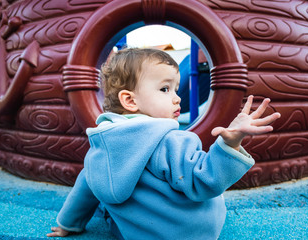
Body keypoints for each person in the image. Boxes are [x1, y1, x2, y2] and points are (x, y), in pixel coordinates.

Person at [47, 48, 280, 239]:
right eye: (165, 89)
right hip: (191, 233)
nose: (177, 97)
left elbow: (86, 187)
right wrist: (230, 146)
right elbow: (204, 181)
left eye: (176, 89)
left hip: (139, 233)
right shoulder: (170, 141)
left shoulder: (102, 145)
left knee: (105, 197)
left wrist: (68, 224)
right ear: (129, 100)